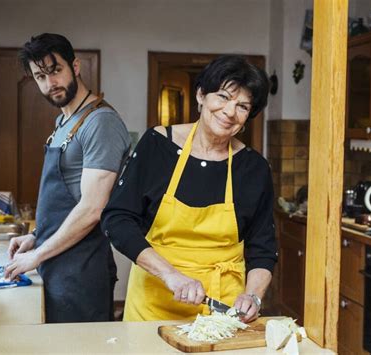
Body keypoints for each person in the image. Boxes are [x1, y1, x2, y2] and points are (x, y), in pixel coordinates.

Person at [101, 55, 276, 322]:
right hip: (154, 301)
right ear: (201, 95)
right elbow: (118, 219)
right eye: (222, 96)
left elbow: (262, 247)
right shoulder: (157, 145)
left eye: (242, 106)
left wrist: (253, 295)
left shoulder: (254, 168)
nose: (230, 112)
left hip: (221, 310)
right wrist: (169, 274)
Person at [5, 33, 131, 323]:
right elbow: (67, 198)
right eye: (40, 76)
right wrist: (36, 237)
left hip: (82, 270)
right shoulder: (64, 121)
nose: (50, 84)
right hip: (57, 262)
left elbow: (92, 208)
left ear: (75, 67)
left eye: (55, 70)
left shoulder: (100, 122)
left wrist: (36, 256)